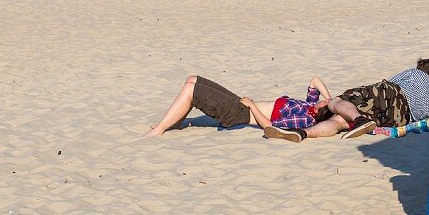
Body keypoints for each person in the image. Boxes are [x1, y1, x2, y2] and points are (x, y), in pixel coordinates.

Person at [264, 58, 429, 143]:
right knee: (341, 121)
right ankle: (302, 133)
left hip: (393, 94)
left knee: (336, 104)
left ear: (421, 68)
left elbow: (391, 83)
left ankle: (306, 132)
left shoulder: (415, 73)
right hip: (400, 118)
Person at [142, 75, 331, 137]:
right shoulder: (310, 105)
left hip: (238, 114)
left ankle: (158, 130)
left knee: (191, 90)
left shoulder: (306, 118)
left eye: (326, 103)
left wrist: (252, 106)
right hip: (240, 104)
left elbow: (270, 127)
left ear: (321, 111)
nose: (323, 99)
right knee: (192, 79)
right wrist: (330, 99)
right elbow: (314, 80)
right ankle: (173, 123)